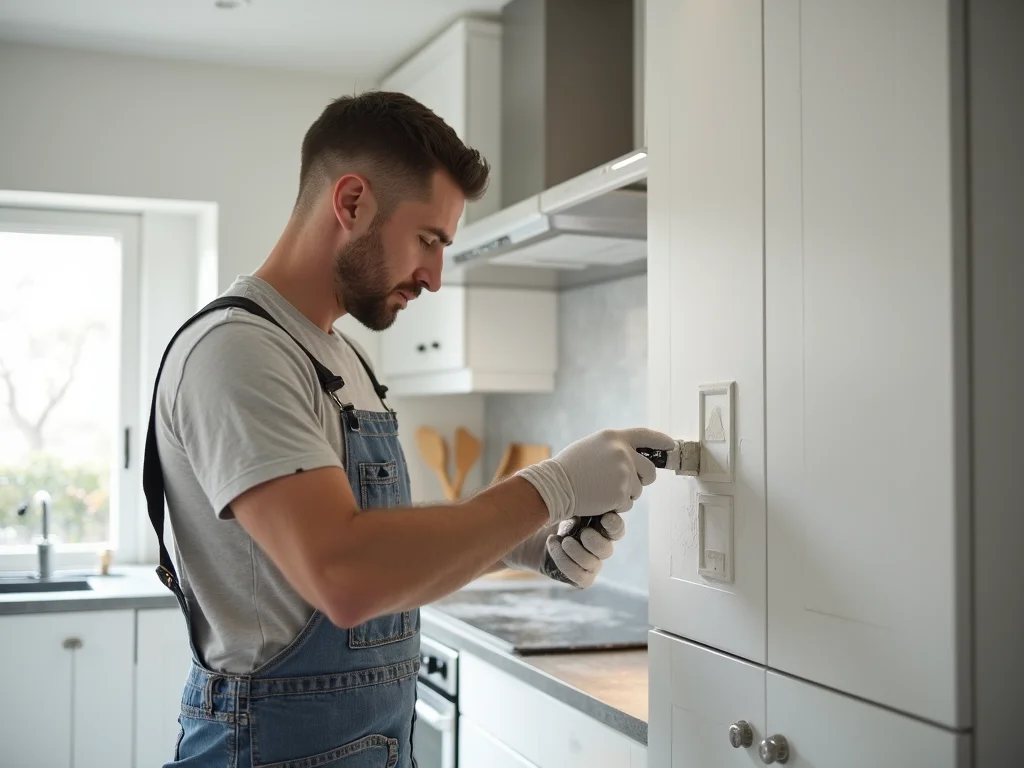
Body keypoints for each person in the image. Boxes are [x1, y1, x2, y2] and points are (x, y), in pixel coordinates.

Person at [144, 90, 674, 768]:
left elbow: (374, 542)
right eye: (429, 240)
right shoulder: (238, 352)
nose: (435, 276)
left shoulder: (341, 355)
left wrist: (518, 545)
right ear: (353, 202)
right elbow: (344, 573)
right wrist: (548, 489)